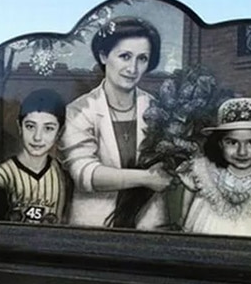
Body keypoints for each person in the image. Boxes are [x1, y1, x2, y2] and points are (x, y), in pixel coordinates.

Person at [58, 16, 172, 229]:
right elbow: (84, 174)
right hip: (95, 228)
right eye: (125, 56)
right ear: (103, 56)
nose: (133, 68)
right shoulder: (80, 110)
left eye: (142, 59)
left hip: (149, 226)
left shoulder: (158, 108)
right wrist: (147, 178)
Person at [177, 97, 251, 238]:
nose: (242, 152)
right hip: (205, 234)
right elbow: (185, 207)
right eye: (232, 142)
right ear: (220, 143)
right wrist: (184, 226)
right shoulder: (203, 170)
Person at [0, 88, 71, 224]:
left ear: (59, 132)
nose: (37, 137)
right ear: (19, 127)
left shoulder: (63, 177)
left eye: (48, 128)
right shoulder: (2, 177)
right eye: (30, 126)